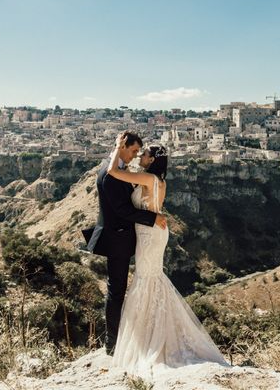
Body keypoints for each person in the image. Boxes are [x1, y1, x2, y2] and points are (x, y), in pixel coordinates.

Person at [106, 134, 227, 379]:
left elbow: (112, 172)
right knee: (152, 280)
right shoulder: (158, 180)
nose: (140, 156)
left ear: (152, 160)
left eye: (144, 154)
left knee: (147, 280)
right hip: (153, 232)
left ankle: (150, 339)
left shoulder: (148, 178)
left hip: (149, 236)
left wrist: (118, 148)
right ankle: (154, 335)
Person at [84, 131, 167, 356]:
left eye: (139, 153)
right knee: (117, 290)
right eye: (132, 151)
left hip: (134, 237)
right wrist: (152, 218)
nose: (135, 156)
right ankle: (113, 343)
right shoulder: (111, 173)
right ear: (122, 146)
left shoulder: (117, 170)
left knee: (140, 283)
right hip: (119, 238)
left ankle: (139, 336)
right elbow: (122, 209)